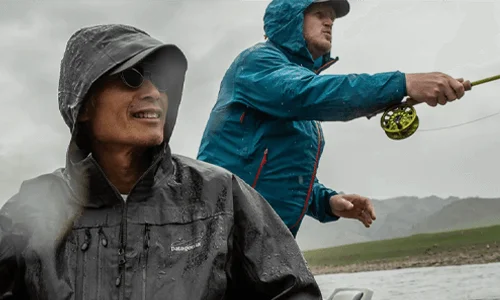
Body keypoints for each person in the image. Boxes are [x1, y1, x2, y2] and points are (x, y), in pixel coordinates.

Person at [0, 24, 325, 299]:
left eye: (161, 81)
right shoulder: (28, 210)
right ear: (83, 104)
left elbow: (293, 291)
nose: (155, 92)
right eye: (132, 77)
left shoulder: (221, 195)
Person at [196, 0, 472, 237]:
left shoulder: (297, 97)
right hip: (220, 231)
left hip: (264, 242)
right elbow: (306, 93)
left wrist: (326, 201)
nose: (329, 22)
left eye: (332, 17)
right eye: (319, 14)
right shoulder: (257, 62)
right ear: (291, 17)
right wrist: (403, 83)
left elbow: (277, 170)